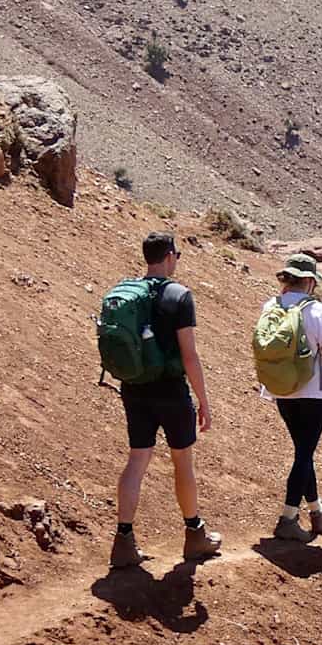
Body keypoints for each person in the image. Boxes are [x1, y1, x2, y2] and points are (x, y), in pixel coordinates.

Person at [106, 232, 220, 568]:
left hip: (134, 387)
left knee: (137, 459)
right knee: (182, 460)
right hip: (170, 390)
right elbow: (189, 355)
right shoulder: (179, 296)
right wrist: (204, 400)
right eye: (177, 256)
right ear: (169, 256)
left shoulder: (129, 293)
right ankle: (194, 534)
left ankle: (123, 541)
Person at [258, 253, 322, 541]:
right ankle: (287, 517)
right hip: (314, 392)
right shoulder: (317, 311)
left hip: (281, 389)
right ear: (310, 281)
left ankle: (316, 510)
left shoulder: (270, 305)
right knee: (304, 453)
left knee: (303, 450)